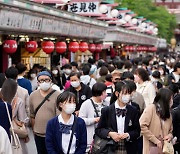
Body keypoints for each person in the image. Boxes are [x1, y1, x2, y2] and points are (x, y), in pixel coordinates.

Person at [95, 82, 140, 154]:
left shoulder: (133, 110)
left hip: (128, 147)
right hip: (110, 146)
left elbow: (137, 130)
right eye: (124, 93)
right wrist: (110, 133)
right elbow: (99, 129)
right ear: (117, 93)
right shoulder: (107, 110)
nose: (127, 96)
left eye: (129, 93)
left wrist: (128, 135)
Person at [29, 71, 60, 154]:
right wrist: (34, 130)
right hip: (38, 133)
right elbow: (32, 115)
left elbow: (59, 116)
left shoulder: (58, 95)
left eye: (46, 80)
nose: (44, 82)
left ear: (51, 81)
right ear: (38, 83)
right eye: (41, 80)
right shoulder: (33, 95)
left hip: (53, 133)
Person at [139, 88, 173, 154]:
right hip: (151, 148)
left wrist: (169, 136)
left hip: (165, 149)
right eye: (170, 99)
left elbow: (171, 130)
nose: (172, 101)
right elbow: (142, 126)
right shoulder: (151, 108)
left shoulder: (168, 113)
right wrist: (155, 140)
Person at [79, 82, 107, 152]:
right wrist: (95, 120)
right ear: (99, 93)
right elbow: (80, 120)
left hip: (103, 140)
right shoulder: (86, 104)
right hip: (90, 139)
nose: (106, 94)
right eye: (104, 92)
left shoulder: (106, 103)